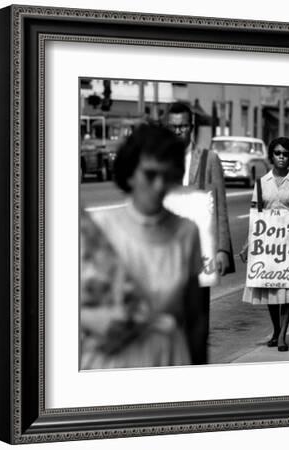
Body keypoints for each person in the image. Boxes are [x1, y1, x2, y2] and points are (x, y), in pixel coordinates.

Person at [80, 124, 204, 369]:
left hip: (167, 359)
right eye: (150, 175)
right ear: (130, 174)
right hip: (111, 362)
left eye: (167, 176)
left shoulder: (186, 232)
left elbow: (195, 317)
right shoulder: (100, 229)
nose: (159, 186)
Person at [166, 102, 235, 364]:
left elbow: (220, 207)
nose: (177, 131)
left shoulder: (209, 159)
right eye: (172, 127)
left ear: (191, 128)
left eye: (182, 126)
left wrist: (223, 249)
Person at [239, 137, 289, 352]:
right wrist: (247, 243)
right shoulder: (261, 184)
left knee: (287, 290)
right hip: (268, 245)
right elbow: (255, 216)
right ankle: (276, 328)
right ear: (271, 156)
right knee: (270, 288)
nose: (281, 157)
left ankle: (282, 336)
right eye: (278, 153)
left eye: (286, 154)